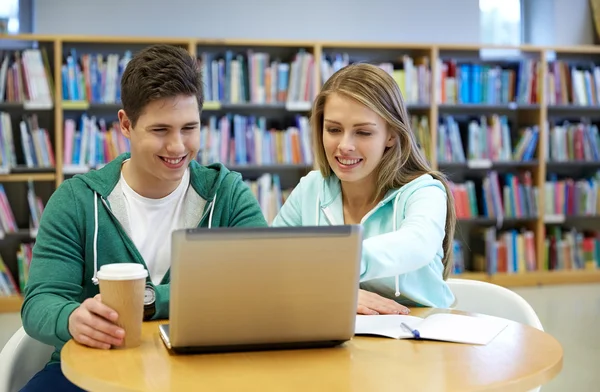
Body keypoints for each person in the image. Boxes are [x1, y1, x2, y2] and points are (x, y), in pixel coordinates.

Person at [19, 44, 268, 391]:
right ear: (125, 124)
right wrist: (71, 317)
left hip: (201, 372)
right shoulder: (75, 201)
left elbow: (262, 288)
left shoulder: (227, 195)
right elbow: (39, 303)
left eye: (189, 128)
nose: (178, 147)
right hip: (94, 370)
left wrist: (148, 302)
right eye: (160, 130)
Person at [271, 63, 456, 314]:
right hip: (342, 338)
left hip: (421, 336)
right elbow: (272, 262)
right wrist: (334, 293)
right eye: (334, 129)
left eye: (363, 132)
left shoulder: (424, 191)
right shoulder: (311, 188)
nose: (345, 145)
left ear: (391, 135)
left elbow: (417, 243)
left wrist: (333, 268)